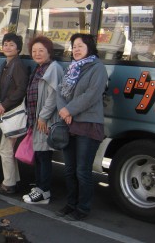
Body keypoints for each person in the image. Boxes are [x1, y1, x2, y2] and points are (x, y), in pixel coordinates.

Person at [55, 33, 108, 221]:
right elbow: (60, 91)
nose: (76, 49)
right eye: (74, 46)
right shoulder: (71, 69)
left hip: (88, 125)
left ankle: (83, 208)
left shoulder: (98, 68)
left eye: (80, 46)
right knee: (69, 169)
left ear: (89, 49)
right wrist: (63, 109)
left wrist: (69, 110)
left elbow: (92, 95)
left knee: (82, 170)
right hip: (69, 124)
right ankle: (71, 204)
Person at [22, 36, 63, 204]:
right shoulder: (40, 68)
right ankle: (39, 187)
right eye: (34, 51)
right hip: (37, 119)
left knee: (44, 156)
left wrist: (43, 117)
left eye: (41, 51)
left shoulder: (53, 68)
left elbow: (54, 96)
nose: (37, 54)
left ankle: (44, 191)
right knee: (39, 155)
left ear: (49, 52)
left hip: (45, 120)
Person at [0, 33, 28, 194]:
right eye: (5, 44)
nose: (7, 47)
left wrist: (5, 104)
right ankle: (14, 181)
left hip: (12, 112)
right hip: (9, 111)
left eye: (11, 44)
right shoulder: (8, 64)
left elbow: (21, 88)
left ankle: (8, 184)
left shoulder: (17, 65)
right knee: (8, 150)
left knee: (5, 150)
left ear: (18, 48)